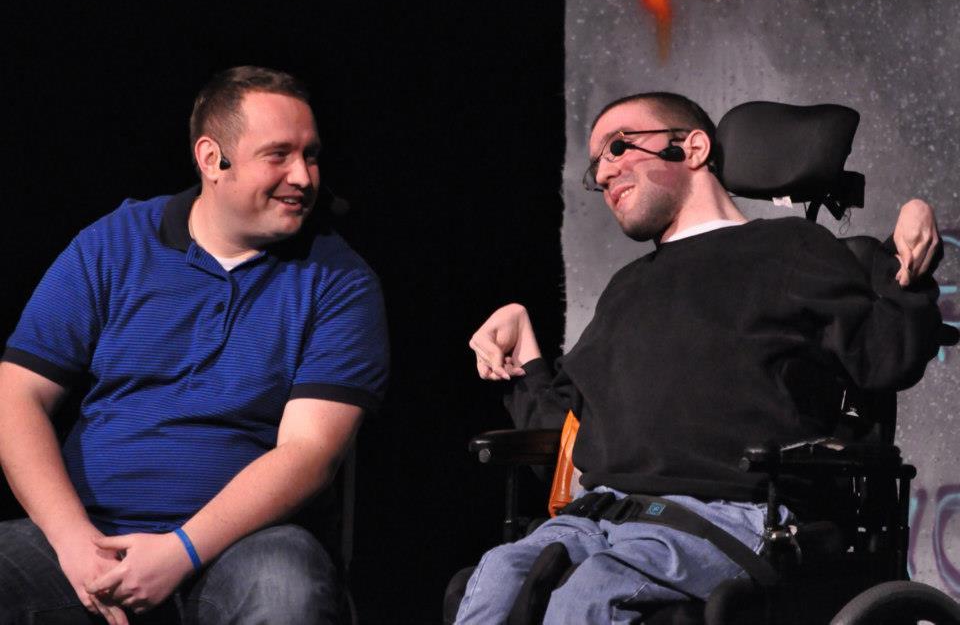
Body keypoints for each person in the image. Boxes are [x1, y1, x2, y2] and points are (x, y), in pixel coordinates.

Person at [456, 92, 942, 624]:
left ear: (691, 147)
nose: (605, 173)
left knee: (590, 593)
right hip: (599, 516)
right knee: (498, 579)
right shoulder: (628, 288)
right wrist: (525, 349)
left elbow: (886, 359)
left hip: (731, 515)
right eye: (596, 167)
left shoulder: (793, 248)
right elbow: (565, 429)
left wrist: (909, 267)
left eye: (619, 147)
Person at [0, 66, 388, 625]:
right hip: (91, 536)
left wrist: (179, 551)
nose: (304, 176)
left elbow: (307, 455)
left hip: (244, 547)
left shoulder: (339, 282)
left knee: (286, 593)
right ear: (212, 159)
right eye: (278, 154)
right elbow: (19, 396)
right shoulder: (114, 244)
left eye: (311, 154)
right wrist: (71, 540)